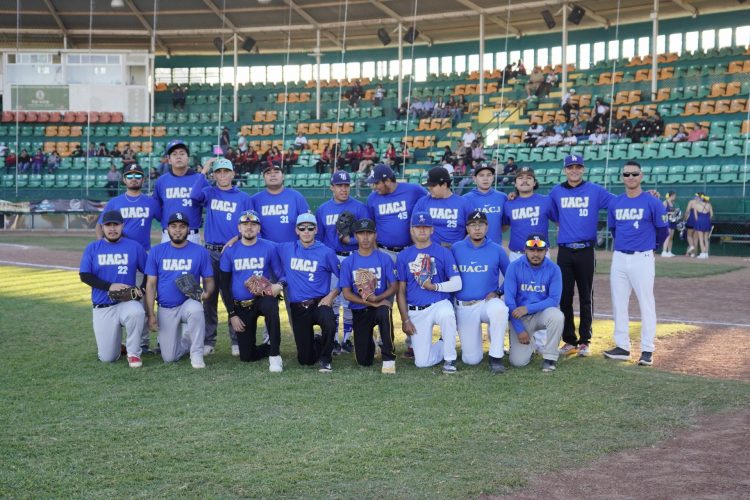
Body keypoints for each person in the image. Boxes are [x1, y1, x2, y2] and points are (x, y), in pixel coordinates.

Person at [549, 155, 615, 357]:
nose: (574, 170)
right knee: (565, 296)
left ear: (583, 169)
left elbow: (619, 202)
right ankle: (569, 340)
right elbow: (550, 211)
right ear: (565, 170)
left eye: (578, 167)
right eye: (570, 167)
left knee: (586, 296)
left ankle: (585, 341)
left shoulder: (595, 190)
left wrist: (644, 195)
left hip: (586, 250)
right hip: (565, 251)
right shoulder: (556, 191)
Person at [604, 161, 668, 367]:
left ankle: (647, 349)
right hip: (620, 257)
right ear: (622, 177)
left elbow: (663, 230)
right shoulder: (616, 202)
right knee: (619, 303)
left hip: (643, 257)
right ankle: (622, 347)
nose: (630, 177)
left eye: (634, 174)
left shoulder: (653, 202)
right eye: (626, 174)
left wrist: (652, 246)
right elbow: (614, 229)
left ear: (641, 176)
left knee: (646, 303)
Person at [190, 157, 253, 356]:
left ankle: (236, 339)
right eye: (219, 172)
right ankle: (209, 340)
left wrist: (237, 237)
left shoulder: (243, 197)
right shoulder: (210, 192)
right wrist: (204, 171)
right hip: (210, 251)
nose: (223, 175)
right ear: (214, 175)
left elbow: (250, 224)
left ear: (233, 173)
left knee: (233, 295)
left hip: (232, 251)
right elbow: (194, 195)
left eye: (226, 171)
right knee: (209, 297)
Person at [144, 211, 215, 369]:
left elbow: (209, 280)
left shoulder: (200, 251)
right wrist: (151, 314)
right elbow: (151, 284)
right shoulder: (156, 251)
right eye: (173, 226)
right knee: (169, 357)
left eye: (182, 226)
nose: (177, 230)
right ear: (167, 229)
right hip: (166, 307)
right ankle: (187, 341)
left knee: (196, 309)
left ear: (188, 229)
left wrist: (207, 293)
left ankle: (196, 354)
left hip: (188, 303)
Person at [79, 210, 148, 368]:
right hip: (103, 305)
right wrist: (109, 286)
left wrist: (142, 289)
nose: (112, 229)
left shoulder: (134, 247)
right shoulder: (93, 248)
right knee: (107, 358)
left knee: (137, 312)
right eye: (108, 225)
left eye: (115, 225)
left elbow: (149, 271)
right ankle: (118, 346)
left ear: (122, 226)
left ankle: (133, 353)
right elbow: (85, 275)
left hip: (126, 302)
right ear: (102, 227)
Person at [395, 212, 462, 372]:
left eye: (426, 227)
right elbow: (401, 291)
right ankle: (443, 343)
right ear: (412, 230)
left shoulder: (443, 252)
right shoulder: (404, 256)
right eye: (418, 227)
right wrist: (405, 320)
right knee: (422, 363)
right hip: (416, 310)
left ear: (432, 229)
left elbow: (457, 283)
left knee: (447, 314)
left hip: (438, 303)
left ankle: (449, 359)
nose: (422, 230)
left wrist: (435, 287)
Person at [219, 210, 286, 370]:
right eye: (245, 224)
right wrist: (232, 314)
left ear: (259, 228)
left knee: (271, 305)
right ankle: (268, 347)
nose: (249, 227)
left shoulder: (269, 247)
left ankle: (275, 355)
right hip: (241, 305)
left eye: (253, 224)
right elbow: (224, 286)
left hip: (261, 298)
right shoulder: (230, 251)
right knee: (246, 356)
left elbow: (282, 275)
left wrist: (279, 285)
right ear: (239, 228)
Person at [277, 213, 340, 372]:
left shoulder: (326, 252)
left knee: (329, 321)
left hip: (319, 302)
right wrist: (237, 238)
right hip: (298, 307)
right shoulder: (286, 249)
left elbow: (344, 277)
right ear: (296, 230)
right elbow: (262, 244)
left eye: (310, 228)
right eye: (302, 228)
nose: (306, 231)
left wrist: (332, 295)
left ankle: (326, 359)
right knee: (305, 360)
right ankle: (318, 341)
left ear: (316, 230)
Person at [315, 170, 369, 354]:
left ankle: (347, 338)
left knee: (350, 300)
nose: (343, 189)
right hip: (331, 258)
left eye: (346, 185)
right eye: (339, 186)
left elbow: (368, 235)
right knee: (334, 300)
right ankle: (334, 340)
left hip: (353, 257)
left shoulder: (360, 207)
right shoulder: (323, 209)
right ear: (332, 187)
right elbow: (319, 239)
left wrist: (350, 240)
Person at [451, 210, 510, 372]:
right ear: (467, 228)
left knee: (499, 309)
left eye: (481, 225)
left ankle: (496, 356)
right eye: (473, 225)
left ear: (487, 227)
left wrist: (499, 292)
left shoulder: (497, 249)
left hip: (487, 303)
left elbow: (511, 276)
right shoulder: (456, 248)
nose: (477, 228)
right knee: (471, 360)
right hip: (464, 306)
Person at [339, 218, 399, 372]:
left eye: (369, 233)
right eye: (361, 233)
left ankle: (388, 358)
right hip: (359, 310)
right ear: (355, 236)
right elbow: (346, 294)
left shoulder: (384, 258)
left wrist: (378, 299)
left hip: (379, 307)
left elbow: (394, 285)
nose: (365, 237)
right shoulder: (349, 262)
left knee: (384, 312)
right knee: (363, 361)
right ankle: (370, 342)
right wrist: (372, 302)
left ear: (375, 235)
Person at [503, 234, 564, 372]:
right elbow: (509, 301)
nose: (536, 254)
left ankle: (550, 358)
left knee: (557, 316)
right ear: (525, 250)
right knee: (518, 362)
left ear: (546, 250)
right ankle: (531, 346)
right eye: (532, 250)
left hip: (542, 314)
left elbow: (554, 300)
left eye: (540, 250)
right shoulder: (514, 267)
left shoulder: (554, 269)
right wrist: (519, 330)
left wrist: (528, 308)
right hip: (520, 317)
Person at [153, 139, 207, 244]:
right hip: (168, 235)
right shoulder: (161, 181)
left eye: (182, 153)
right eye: (174, 154)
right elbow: (157, 207)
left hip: (192, 235)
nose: (178, 157)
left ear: (188, 159)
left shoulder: (199, 180)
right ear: (169, 160)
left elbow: (209, 203)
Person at [501, 166, 554, 261]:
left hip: (541, 253)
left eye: (529, 178)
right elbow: (504, 228)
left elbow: (558, 222)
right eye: (520, 178)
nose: (524, 180)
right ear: (515, 183)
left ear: (534, 183)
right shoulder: (508, 204)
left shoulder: (546, 200)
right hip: (517, 255)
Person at [413, 166, 473, 247]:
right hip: (429, 250)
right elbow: (413, 228)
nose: (429, 188)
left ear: (444, 184)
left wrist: (461, 248)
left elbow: (473, 230)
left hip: (455, 251)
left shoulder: (463, 203)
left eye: (433, 185)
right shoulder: (422, 202)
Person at [250, 163, 310, 243]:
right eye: (268, 173)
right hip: (265, 248)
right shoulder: (254, 200)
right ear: (263, 177)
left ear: (283, 176)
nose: (273, 175)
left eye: (276, 172)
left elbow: (308, 224)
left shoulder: (296, 197)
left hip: (292, 248)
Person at [462, 163, 508, 245]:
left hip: (495, 246)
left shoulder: (502, 197)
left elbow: (505, 226)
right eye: (481, 175)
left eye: (489, 175)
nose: (485, 178)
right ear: (474, 178)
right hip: (473, 247)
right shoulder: (465, 199)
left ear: (493, 178)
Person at [692, 193, 713, 259]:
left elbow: (696, 216)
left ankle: (703, 253)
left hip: (700, 221)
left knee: (701, 238)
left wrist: (699, 221)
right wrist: (708, 220)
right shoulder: (709, 204)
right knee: (706, 238)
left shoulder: (696, 205)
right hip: (707, 220)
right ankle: (706, 253)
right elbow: (711, 215)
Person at [661, 192, 680, 257]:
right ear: (671, 196)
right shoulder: (665, 202)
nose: (675, 197)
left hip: (673, 221)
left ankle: (669, 251)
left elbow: (675, 212)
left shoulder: (673, 203)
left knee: (671, 237)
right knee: (667, 236)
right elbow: (662, 212)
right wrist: (669, 214)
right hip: (667, 221)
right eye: (674, 196)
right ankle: (664, 251)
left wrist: (676, 213)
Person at [683, 193, 700, 257]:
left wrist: (684, 219)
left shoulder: (691, 202)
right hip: (699, 221)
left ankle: (692, 247)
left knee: (689, 236)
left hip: (691, 220)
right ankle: (694, 253)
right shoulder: (703, 203)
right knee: (695, 238)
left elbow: (687, 211)